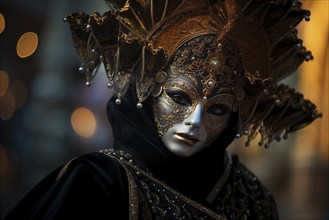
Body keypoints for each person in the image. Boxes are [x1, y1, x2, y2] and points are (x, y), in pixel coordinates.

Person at [4, 0, 321, 219]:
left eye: (218, 109)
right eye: (180, 97)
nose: (195, 122)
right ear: (148, 88)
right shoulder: (97, 185)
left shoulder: (251, 197)